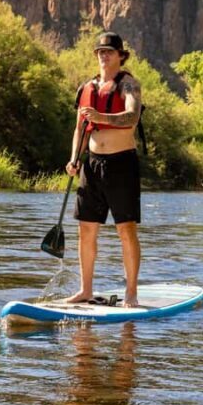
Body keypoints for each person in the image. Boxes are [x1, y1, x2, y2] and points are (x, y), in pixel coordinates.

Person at [65, 32, 143, 308]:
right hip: (92, 165)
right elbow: (80, 129)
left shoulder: (128, 85)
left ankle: (131, 294)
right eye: (100, 51)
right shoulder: (87, 88)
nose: (104, 55)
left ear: (121, 56)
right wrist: (74, 158)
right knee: (86, 229)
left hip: (121, 163)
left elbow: (132, 116)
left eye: (109, 51)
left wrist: (102, 117)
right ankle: (85, 290)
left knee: (125, 229)